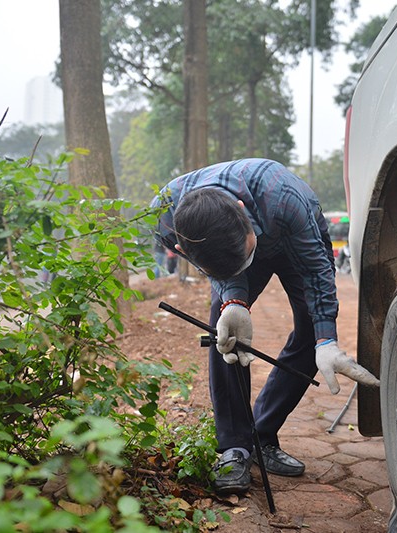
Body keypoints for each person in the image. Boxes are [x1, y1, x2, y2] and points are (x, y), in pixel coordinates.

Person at [151, 158, 380, 494]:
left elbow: (317, 273)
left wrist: (326, 339)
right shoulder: (165, 217)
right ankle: (235, 447)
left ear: (242, 210)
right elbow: (218, 267)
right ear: (183, 247)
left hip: (290, 236)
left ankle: (263, 435)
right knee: (226, 334)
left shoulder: (286, 199)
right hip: (230, 251)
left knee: (311, 332)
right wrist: (234, 301)